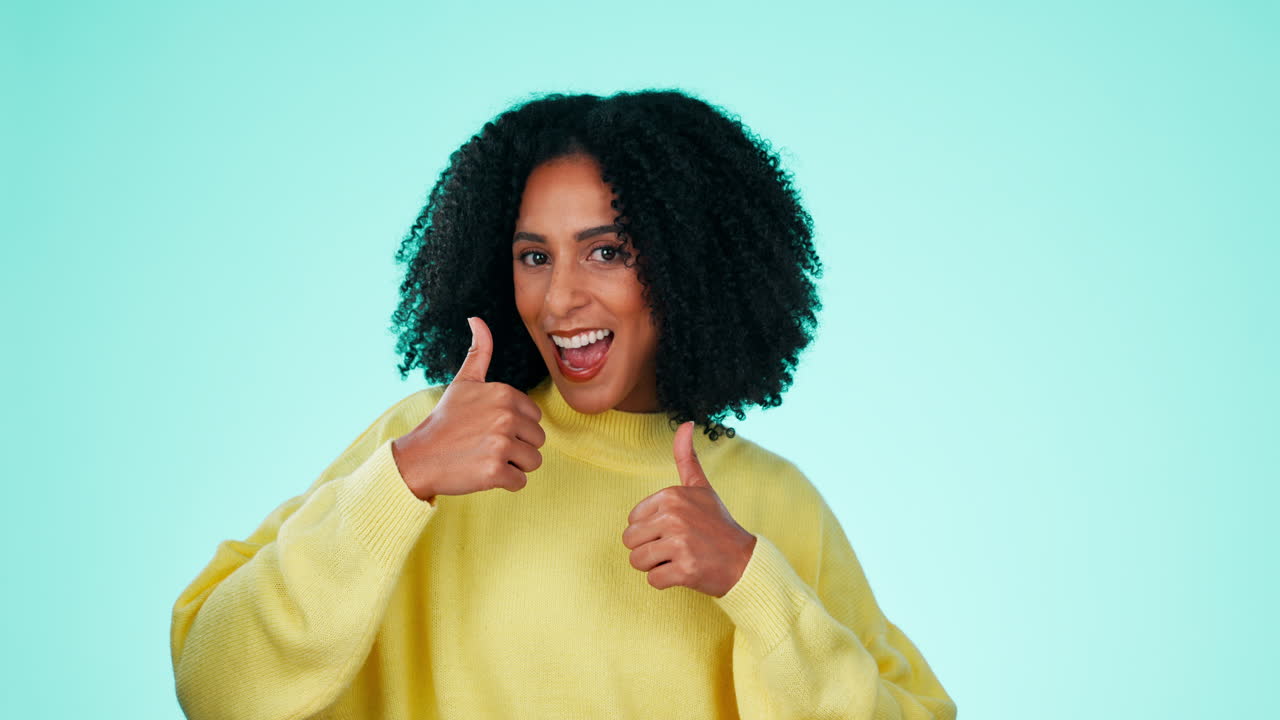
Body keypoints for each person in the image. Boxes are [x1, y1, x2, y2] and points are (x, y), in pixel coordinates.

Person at [170, 89, 956, 720]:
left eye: (607, 252)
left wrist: (752, 581)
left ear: (688, 267)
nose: (560, 299)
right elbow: (217, 686)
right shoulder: (427, 446)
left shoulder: (771, 504)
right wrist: (399, 481)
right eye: (534, 256)